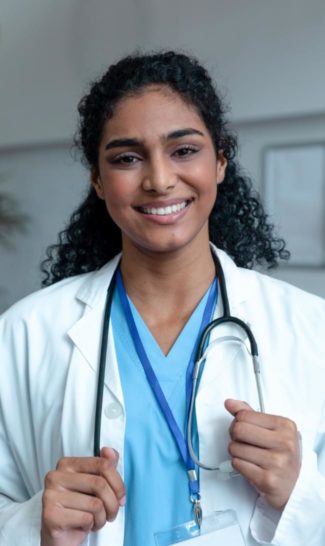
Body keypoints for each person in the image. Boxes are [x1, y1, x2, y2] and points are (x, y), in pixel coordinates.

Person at [0, 51, 324, 546]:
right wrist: (34, 525)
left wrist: (300, 493)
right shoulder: (25, 333)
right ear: (97, 179)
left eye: (184, 150)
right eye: (127, 158)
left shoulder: (310, 326)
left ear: (219, 162)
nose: (158, 179)